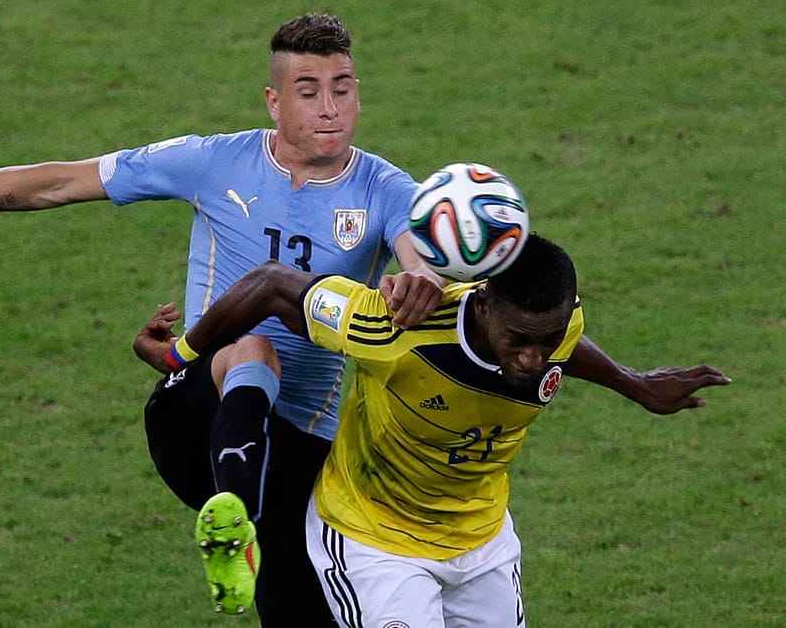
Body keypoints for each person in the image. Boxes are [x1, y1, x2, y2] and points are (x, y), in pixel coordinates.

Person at [0, 12, 729, 626]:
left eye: (343, 87)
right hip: (200, 407)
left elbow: (430, 260)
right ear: (274, 100)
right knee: (254, 340)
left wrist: (416, 285)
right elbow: (60, 180)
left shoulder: (390, 192)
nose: (329, 106)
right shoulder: (207, 160)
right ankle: (229, 506)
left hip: (306, 449)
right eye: (308, 90)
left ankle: (242, 536)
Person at [136, 236, 730, 627]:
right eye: (518, 340)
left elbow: (565, 347)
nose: (532, 360)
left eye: (546, 342)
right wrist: (181, 355)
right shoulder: (392, 329)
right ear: (484, 304)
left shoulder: (556, 324)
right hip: (374, 541)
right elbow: (269, 283)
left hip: (482, 540)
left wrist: (637, 385)